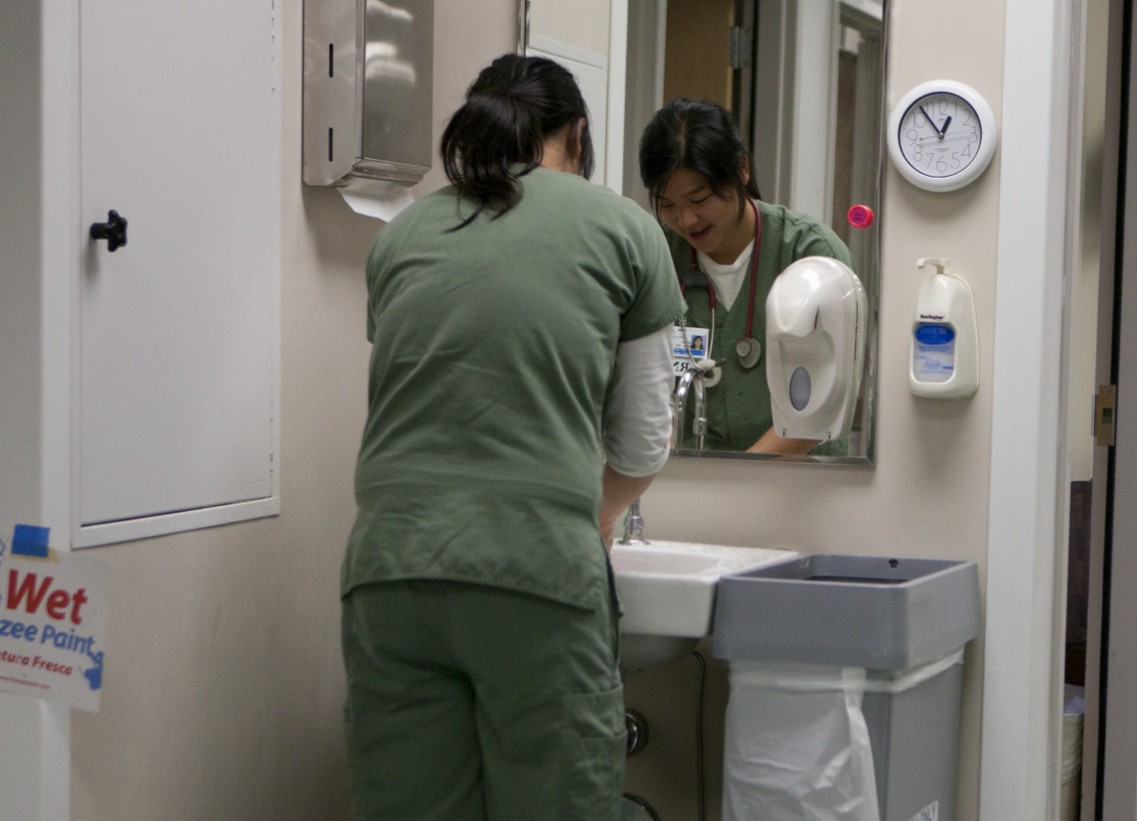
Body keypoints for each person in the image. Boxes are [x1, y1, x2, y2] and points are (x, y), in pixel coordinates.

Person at [341, 54, 685, 821]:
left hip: (388, 573)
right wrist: (599, 512)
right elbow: (640, 442)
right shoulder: (624, 227)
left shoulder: (404, 233)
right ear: (579, 134)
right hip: (534, 575)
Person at [639, 97, 855, 455]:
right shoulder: (659, 259)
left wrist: (741, 482)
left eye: (700, 199)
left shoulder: (811, 255)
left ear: (741, 170)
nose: (687, 220)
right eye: (668, 205)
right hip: (699, 482)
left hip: (801, 488)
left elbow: (819, 408)